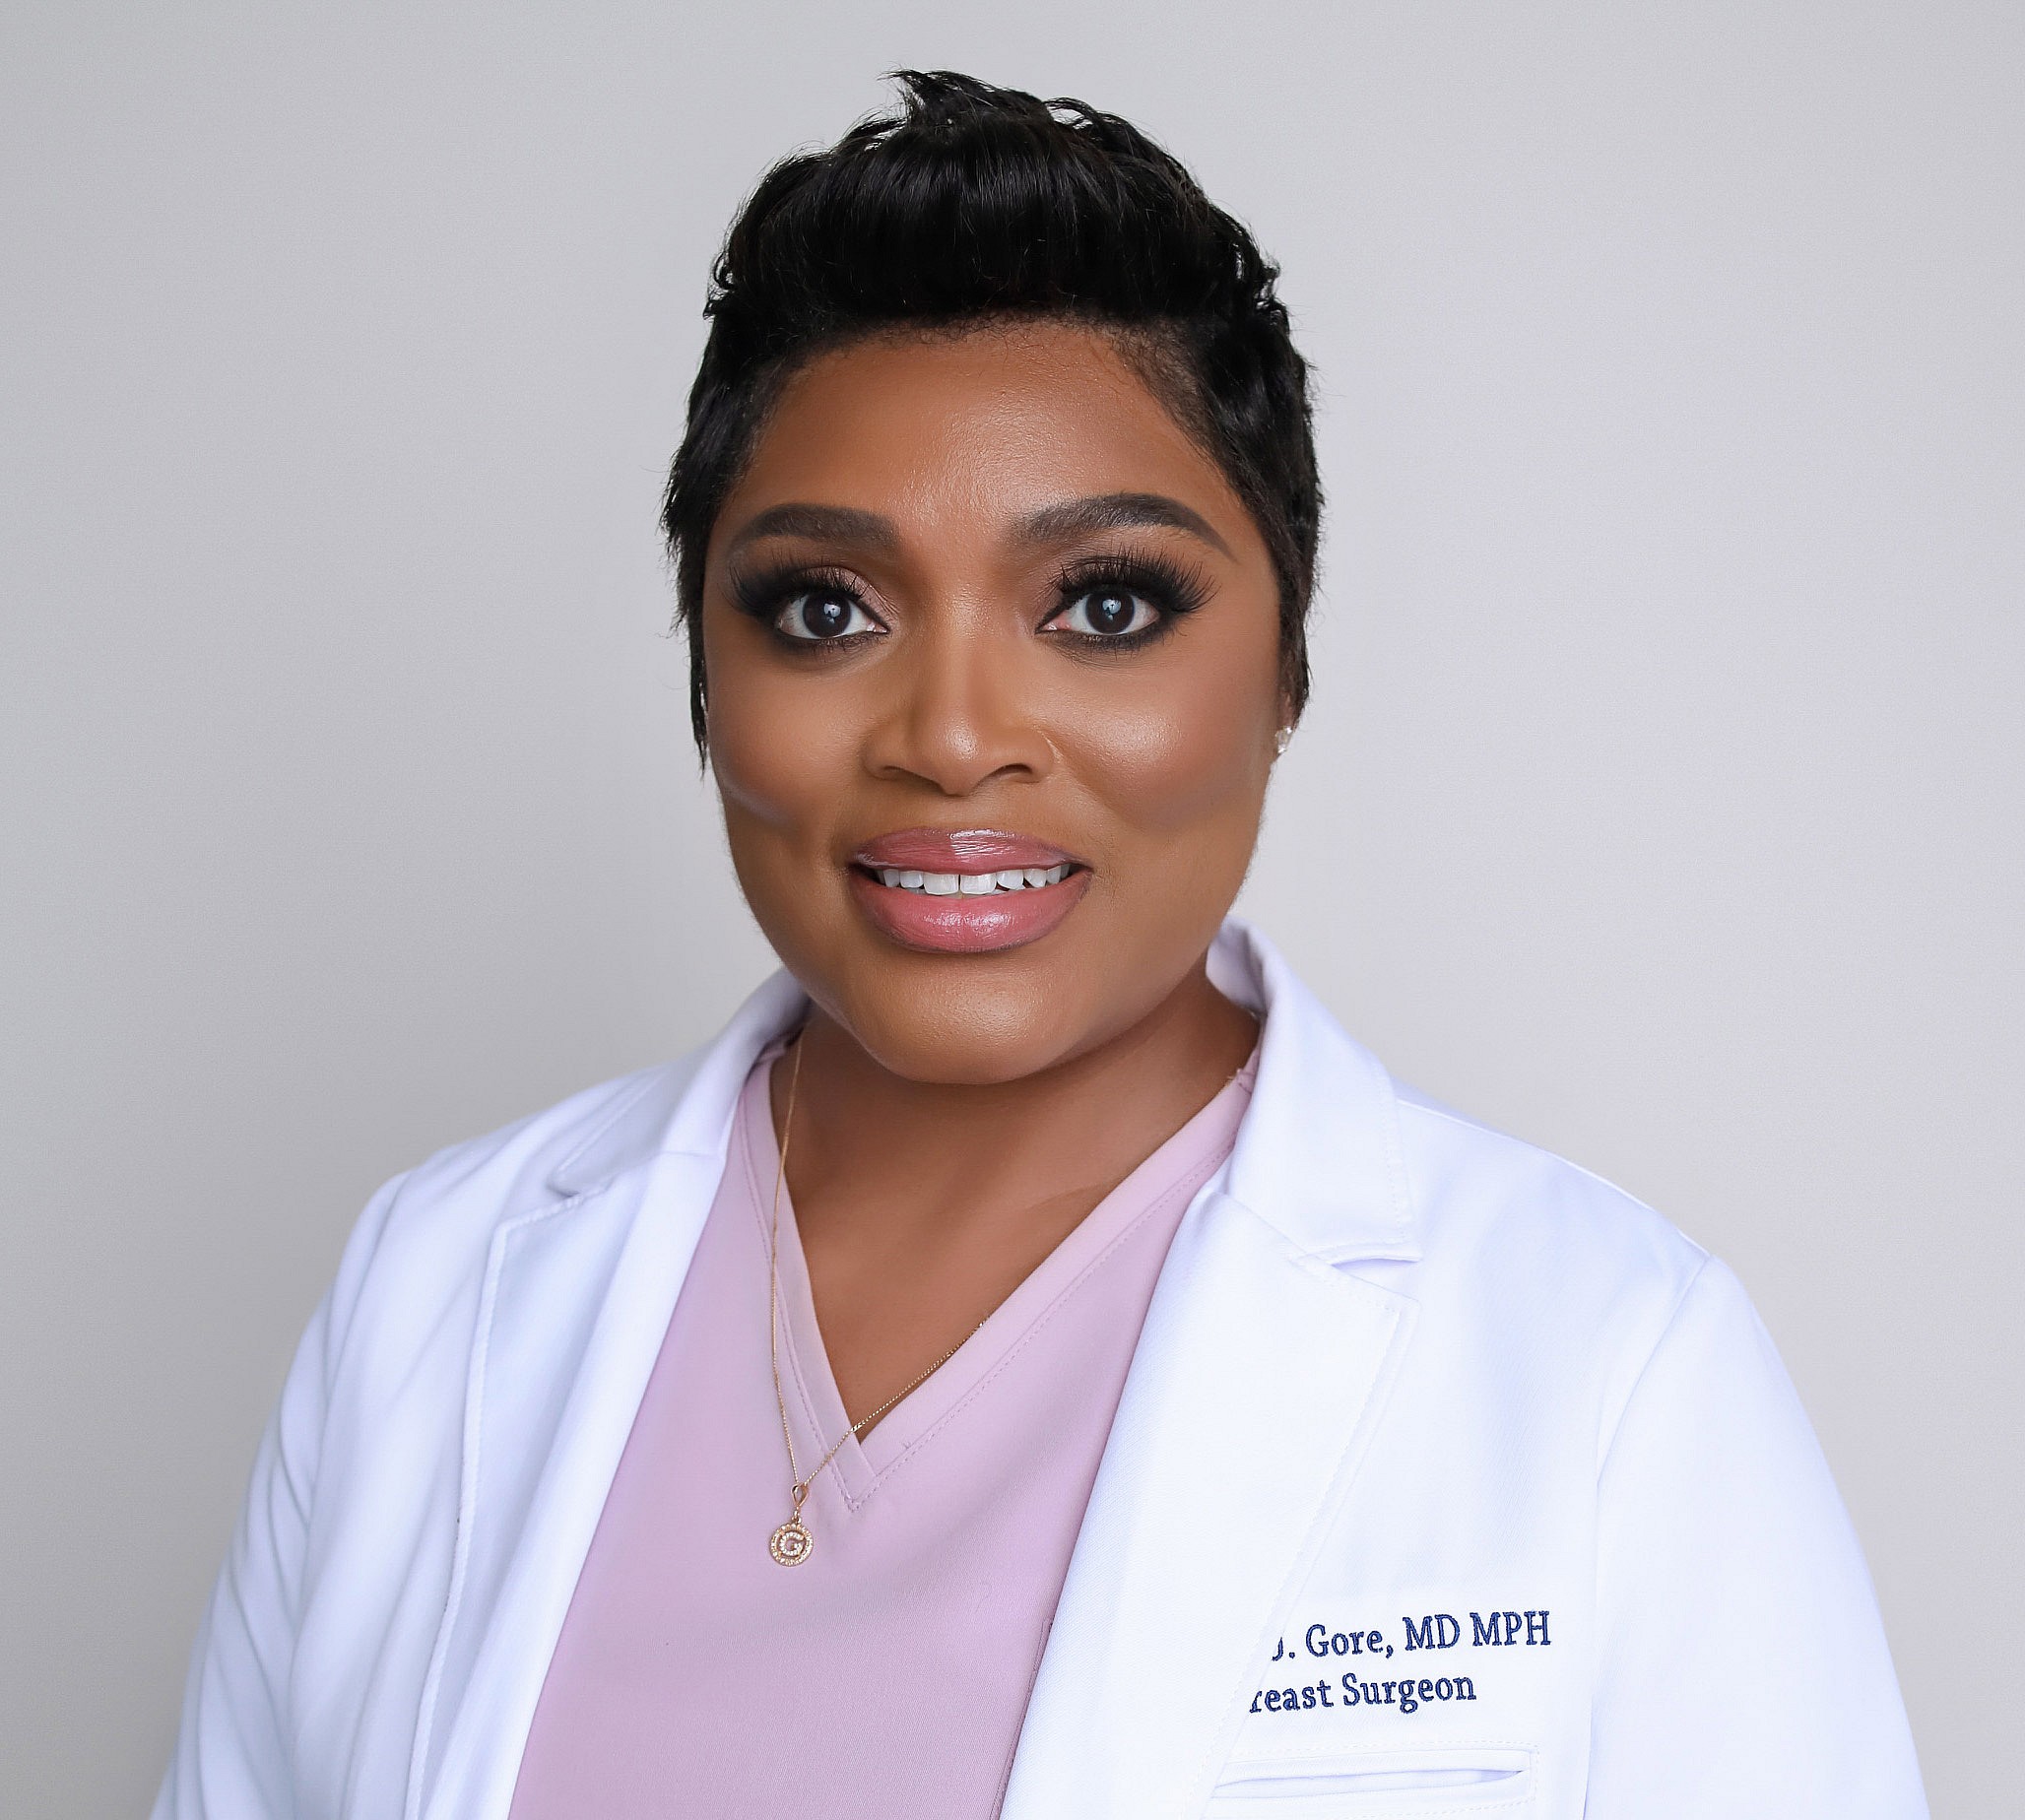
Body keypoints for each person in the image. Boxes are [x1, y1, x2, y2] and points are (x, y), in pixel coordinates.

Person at [153, 71, 1926, 1819]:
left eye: (1104, 604)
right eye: (825, 609)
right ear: (707, 673)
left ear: (1287, 670)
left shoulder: (1610, 1366)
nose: (951, 736)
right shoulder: (430, 1289)